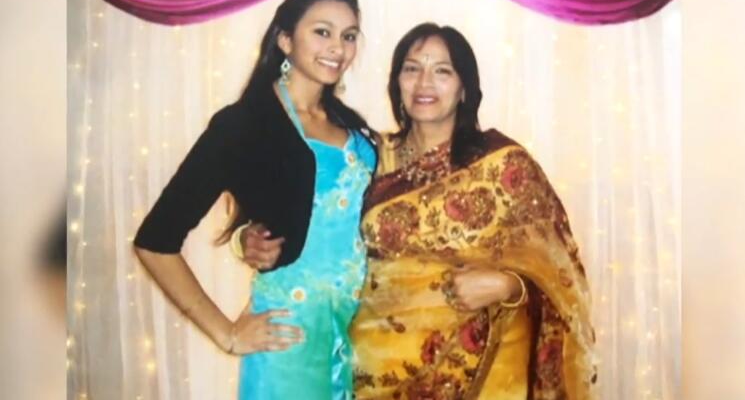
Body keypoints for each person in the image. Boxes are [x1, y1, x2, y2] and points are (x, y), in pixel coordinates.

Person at [238, 23, 596, 399]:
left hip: (486, 374)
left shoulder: (504, 165)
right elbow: (309, 222)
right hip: (373, 369)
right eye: (412, 69)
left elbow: (561, 271)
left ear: (464, 88)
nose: (425, 83)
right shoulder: (366, 157)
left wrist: (508, 285)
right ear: (397, 83)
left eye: (442, 71)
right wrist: (245, 238)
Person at [132, 0, 377, 399]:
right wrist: (227, 334)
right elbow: (155, 241)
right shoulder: (242, 125)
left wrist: (246, 234)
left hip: (356, 336)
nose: (338, 47)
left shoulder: (351, 126)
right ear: (285, 39)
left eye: (348, 36)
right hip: (289, 338)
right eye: (322, 32)